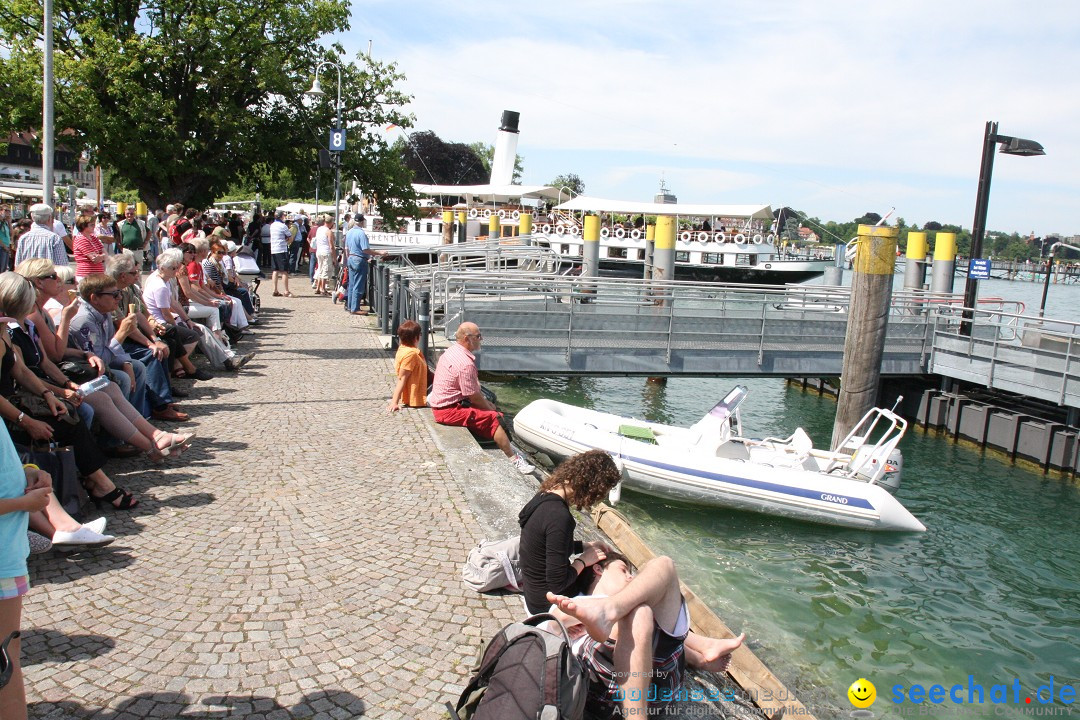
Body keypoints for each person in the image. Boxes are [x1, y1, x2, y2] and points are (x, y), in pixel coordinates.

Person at [547, 553, 745, 718]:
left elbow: (669, 644)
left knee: (643, 611)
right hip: (595, 688)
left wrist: (699, 660)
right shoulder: (578, 601)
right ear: (598, 570)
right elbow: (553, 624)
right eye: (623, 570)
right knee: (659, 573)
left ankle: (702, 652)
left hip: (657, 695)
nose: (630, 577)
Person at [518, 449, 618, 614]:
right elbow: (557, 584)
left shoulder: (545, 495)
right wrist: (584, 560)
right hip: (547, 604)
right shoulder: (559, 517)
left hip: (533, 594)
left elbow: (547, 546)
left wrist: (584, 546)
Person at [428, 322, 534, 474]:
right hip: (447, 410)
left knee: (492, 412)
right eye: (478, 336)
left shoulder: (452, 351)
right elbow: (474, 397)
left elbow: (469, 387)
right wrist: (488, 406)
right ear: (467, 339)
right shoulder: (465, 363)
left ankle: (507, 446)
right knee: (494, 418)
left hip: (442, 403)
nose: (481, 339)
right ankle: (513, 459)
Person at [0, 423, 51, 720]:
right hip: (3, 559)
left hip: (9, 550)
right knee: (6, 663)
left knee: (9, 657)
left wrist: (28, 472)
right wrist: (24, 503)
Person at [343, 214, 385, 314]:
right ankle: (355, 308)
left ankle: (350, 306)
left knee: (352, 284)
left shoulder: (349, 232)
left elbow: (347, 249)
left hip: (351, 258)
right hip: (359, 259)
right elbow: (365, 249)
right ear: (362, 222)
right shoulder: (361, 233)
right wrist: (379, 253)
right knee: (358, 285)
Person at [388, 320, 427, 412]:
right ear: (415, 338)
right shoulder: (411, 354)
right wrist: (394, 402)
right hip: (418, 395)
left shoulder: (403, 349)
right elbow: (402, 378)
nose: (421, 336)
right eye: (420, 334)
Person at [72, 214, 107, 282]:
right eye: (91, 225)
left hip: (98, 275)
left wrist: (101, 256)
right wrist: (102, 256)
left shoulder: (93, 237)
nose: (94, 226)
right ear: (83, 226)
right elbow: (94, 259)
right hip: (86, 276)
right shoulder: (81, 239)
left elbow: (106, 254)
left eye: (94, 224)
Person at [268, 211, 292, 297]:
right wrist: (286, 241)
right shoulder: (283, 226)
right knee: (284, 271)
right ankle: (286, 290)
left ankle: (275, 290)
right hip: (281, 249)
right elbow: (289, 235)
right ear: (281, 216)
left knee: (275, 270)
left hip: (273, 249)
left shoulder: (272, 225)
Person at [312, 216, 335, 297]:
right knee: (325, 270)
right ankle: (323, 289)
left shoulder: (319, 229)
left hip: (319, 251)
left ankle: (318, 287)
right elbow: (331, 245)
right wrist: (334, 258)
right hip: (326, 252)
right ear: (331, 223)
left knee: (320, 269)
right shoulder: (328, 231)